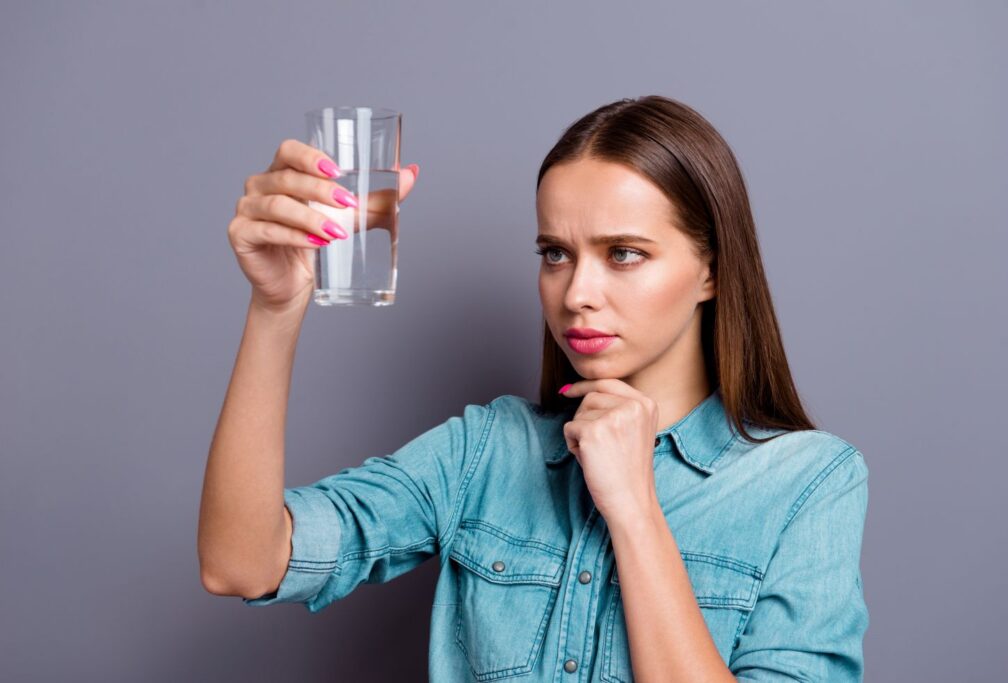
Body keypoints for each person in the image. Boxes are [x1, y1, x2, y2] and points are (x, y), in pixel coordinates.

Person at [198, 95, 869, 682]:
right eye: (555, 253)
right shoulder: (488, 449)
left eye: (623, 253)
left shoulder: (808, 481)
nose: (576, 294)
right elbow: (243, 563)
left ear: (710, 272)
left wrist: (634, 509)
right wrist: (275, 308)